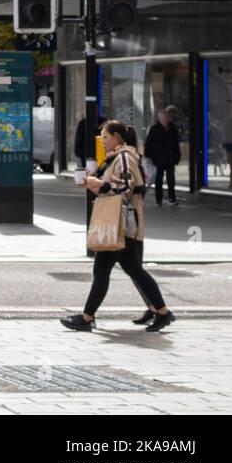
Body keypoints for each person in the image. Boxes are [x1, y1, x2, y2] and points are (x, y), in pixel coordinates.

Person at [61, 120, 176, 333]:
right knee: (134, 270)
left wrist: (100, 184)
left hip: (120, 224)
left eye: (105, 137)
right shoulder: (116, 158)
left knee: (102, 269)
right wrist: (92, 181)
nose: (102, 141)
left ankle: (87, 317)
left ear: (116, 137)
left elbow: (125, 189)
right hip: (122, 225)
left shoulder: (123, 158)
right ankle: (162, 312)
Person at [143, 108, 181, 207]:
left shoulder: (172, 129)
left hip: (170, 159)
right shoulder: (154, 129)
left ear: (168, 119)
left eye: (166, 118)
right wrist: (148, 156)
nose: (165, 120)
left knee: (171, 180)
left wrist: (177, 156)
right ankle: (158, 200)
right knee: (158, 180)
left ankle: (172, 198)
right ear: (159, 119)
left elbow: (176, 144)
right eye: (163, 118)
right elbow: (148, 143)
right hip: (158, 159)